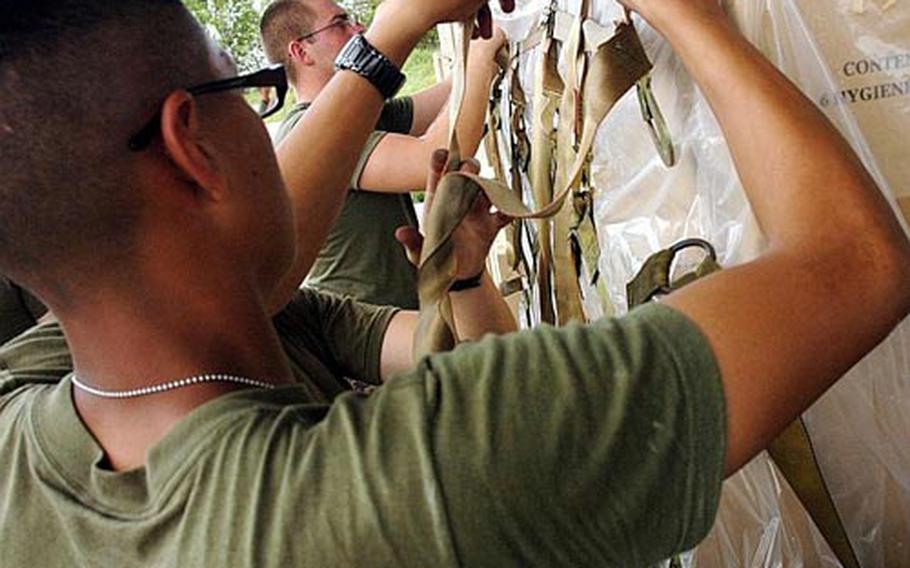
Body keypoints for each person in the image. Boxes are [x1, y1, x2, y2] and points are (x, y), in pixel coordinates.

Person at [1, 1, 908, 568]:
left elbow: (271, 274)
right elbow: (854, 263)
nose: (274, 119)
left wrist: (462, 268)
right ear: (192, 143)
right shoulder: (408, 486)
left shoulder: (25, 421)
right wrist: (691, 18)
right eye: (254, 88)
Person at [260, 0, 505, 308]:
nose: (358, 29)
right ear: (301, 52)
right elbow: (436, 155)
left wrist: (482, 37)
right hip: (370, 339)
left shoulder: (364, 115)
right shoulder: (312, 133)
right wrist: (483, 57)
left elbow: (455, 89)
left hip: (402, 320)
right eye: (340, 24)